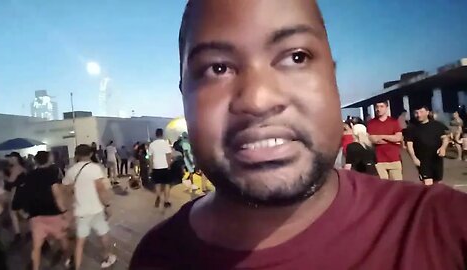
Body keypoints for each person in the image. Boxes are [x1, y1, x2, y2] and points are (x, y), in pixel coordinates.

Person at [130, 1, 467, 269]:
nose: (259, 100)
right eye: (217, 68)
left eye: (296, 56)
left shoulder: (443, 228)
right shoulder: (157, 257)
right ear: (183, 95)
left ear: (332, 79)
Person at [62, 145, 116, 269]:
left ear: (76, 155)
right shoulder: (95, 168)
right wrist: (107, 205)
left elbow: (66, 189)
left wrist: (68, 209)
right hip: (96, 209)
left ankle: (77, 266)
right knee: (103, 234)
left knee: (80, 241)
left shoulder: (71, 170)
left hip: (81, 210)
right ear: (90, 154)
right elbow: (100, 189)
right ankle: (108, 257)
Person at [23, 151, 72, 270]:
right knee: (62, 238)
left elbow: (27, 194)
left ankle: (35, 267)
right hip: (52, 213)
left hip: (35, 214)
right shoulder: (51, 173)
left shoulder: (29, 175)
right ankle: (67, 260)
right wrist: (64, 211)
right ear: (48, 159)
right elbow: (56, 194)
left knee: (36, 246)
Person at [405, 106, 450, 186]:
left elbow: (445, 138)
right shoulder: (411, 128)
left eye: (421, 112)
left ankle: (437, 198)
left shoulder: (437, 125)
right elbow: (409, 145)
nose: (418, 115)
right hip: (422, 160)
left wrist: (443, 148)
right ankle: (429, 198)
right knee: (427, 184)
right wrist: (414, 158)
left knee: (438, 183)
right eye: (416, 113)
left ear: (427, 112)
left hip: (436, 158)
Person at [367, 101, 403, 180]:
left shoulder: (394, 122)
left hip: (394, 159)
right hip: (379, 160)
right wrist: (391, 139)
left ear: (386, 108)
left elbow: (398, 138)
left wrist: (381, 136)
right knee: (383, 187)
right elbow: (373, 139)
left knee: (397, 186)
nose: (378, 109)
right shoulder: (371, 123)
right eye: (377, 107)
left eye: (381, 106)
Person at [4, 152, 28, 244]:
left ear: (15, 159)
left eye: (10, 158)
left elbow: (10, 183)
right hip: (21, 193)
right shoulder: (22, 168)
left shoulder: (16, 168)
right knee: (20, 212)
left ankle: (18, 234)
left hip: (17, 193)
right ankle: (29, 228)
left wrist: (4, 177)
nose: (9, 160)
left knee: (13, 212)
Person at [148, 129, 173, 208]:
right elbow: (168, 156)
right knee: (167, 184)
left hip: (156, 167)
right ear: (162, 134)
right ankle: (166, 201)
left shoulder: (152, 144)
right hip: (165, 167)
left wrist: (151, 168)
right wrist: (169, 165)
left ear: (156, 135)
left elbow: (150, 158)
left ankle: (158, 196)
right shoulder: (166, 143)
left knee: (157, 184)